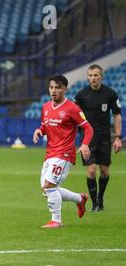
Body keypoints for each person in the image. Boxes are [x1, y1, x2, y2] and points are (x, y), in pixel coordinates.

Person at [33, 75, 94, 229]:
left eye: (58, 87)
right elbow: (45, 126)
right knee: (46, 190)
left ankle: (56, 221)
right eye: (52, 87)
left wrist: (85, 144)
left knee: (49, 185)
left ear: (65, 89)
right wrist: (40, 131)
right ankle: (80, 199)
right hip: (50, 153)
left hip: (65, 153)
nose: (54, 91)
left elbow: (88, 128)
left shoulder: (72, 108)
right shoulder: (46, 107)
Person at [75, 64, 123, 212]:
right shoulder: (81, 95)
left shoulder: (110, 94)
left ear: (101, 76)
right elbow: (74, 116)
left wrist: (118, 137)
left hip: (104, 137)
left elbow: (117, 115)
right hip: (87, 139)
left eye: (96, 75)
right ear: (87, 77)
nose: (93, 78)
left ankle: (100, 198)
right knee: (91, 170)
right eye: (90, 75)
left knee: (104, 172)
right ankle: (94, 203)